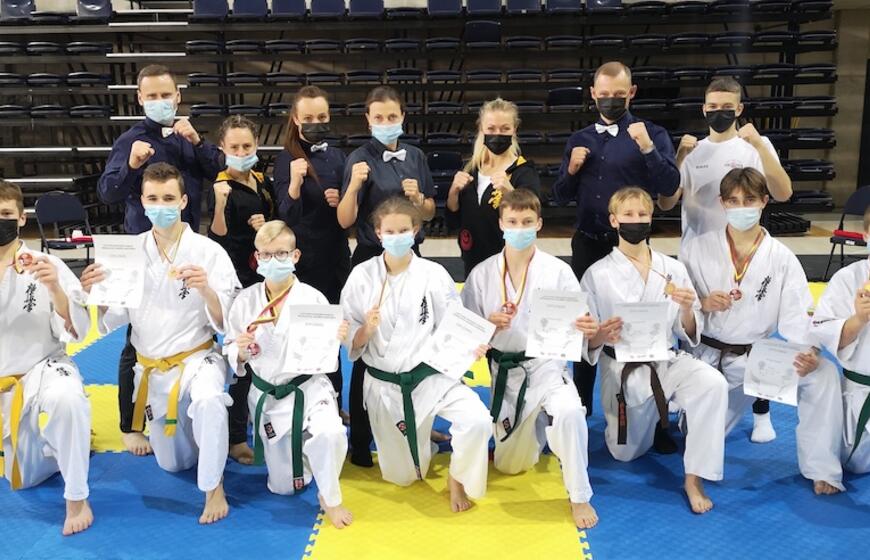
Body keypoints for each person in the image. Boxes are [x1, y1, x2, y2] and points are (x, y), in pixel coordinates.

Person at [82, 162, 241, 523]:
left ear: (183, 201)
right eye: (152, 198)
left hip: (197, 360)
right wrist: (97, 294)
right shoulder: (129, 252)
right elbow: (113, 318)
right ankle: (202, 440)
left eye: (168, 198)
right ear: (142, 201)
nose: (160, 205)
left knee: (210, 401)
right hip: (153, 369)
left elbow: (229, 321)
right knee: (173, 463)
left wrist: (207, 290)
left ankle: (214, 488)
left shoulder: (209, 251)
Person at [682, 168, 844, 495]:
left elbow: (797, 316)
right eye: (733, 201)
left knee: (823, 374)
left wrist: (810, 352)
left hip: (758, 358)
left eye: (749, 200)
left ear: (764, 201)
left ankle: (822, 469)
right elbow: (680, 311)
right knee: (694, 434)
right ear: (722, 203)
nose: (741, 207)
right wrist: (703, 304)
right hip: (709, 358)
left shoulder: (781, 258)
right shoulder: (696, 249)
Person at [658, 77, 794, 442]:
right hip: (698, 252)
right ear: (703, 109)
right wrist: (678, 158)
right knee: (693, 323)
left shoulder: (755, 145)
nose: (719, 113)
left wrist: (759, 145)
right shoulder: (693, 150)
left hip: (746, 250)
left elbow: (783, 192)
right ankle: (688, 392)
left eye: (727, 107)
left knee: (752, 327)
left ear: (739, 109)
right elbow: (666, 203)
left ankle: (762, 408)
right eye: (713, 107)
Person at [97, 64, 223, 456]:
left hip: (188, 245)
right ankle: (131, 424)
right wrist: (132, 166)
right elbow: (107, 192)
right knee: (137, 337)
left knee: (194, 325)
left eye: (165, 94)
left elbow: (220, 170)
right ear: (139, 99)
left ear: (178, 96)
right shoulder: (130, 140)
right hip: (144, 250)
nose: (159, 101)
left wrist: (198, 142)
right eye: (151, 96)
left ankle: (200, 408)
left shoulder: (188, 136)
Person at [581, 187, 727, 514]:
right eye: (628, 215)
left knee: (712, 383)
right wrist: (600, 334)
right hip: (622, 368)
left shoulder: (672, 269)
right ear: (614, 220)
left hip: (665, 360)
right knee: (624, 454)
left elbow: (687, 331)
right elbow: (586, 341)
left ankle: (694, 478)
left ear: (651, 218)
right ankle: (660, 419)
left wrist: (687, 309)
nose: (636, 220)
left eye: (642, 214)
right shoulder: (596, 275)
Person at [339, 196, 491, 512]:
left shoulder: (433, 273)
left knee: (477, 421)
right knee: (405, 477)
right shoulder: (361, 277)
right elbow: (350, 339)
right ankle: (423, 442)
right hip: (385, 386)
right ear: (378, 233)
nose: (396, 237)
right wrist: (366, 329)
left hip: (431, 378)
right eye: (389, 231)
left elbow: (454, 323)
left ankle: (457, 479)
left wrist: (471, 345)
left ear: (416, 230)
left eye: (403, 230)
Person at [461, 189, 598, 529]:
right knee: (511, 466)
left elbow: (580, 323)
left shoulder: (558, 271)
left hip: (547, 366)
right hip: (506, 372)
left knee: (570, 412)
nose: (519, 228)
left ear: (539, 223)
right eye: (512, 221)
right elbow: (464, 334)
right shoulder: (481, 274)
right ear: (501, 224)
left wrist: (586, 327)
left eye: (526, 221)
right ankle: (535, 428)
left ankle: (579, 496)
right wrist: (488, 325)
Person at [551, 61, 680, 416]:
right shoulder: (579, 139)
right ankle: (581, 405)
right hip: (588, 242)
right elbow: (559, 196)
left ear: (631, 93)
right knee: (586, 323)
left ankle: (649, 403)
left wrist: (648, 149)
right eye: (604, 94)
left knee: (638, 319)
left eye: (618, 94)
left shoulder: (652, 133)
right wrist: (571, 170)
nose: (611, 100)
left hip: (631, 243)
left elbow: (670, 186)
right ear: (593, 94)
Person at [224, 221, 352, 529]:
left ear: (295, 256)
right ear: (257, 258)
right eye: (266, 255)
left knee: (331, 433)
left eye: (281, 253)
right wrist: (239, 351)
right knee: (285, 487)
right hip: (269, 395)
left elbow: (326, 355)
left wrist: (337, 337)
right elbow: (230, 349)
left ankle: (330, 497)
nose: (273, 260)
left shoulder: (313, 298)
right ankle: (307, 452)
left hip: (309, 389)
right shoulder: (245, 301)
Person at [337, 86, 437, 466]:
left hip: (410, 254)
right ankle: (360, 442)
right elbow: (344, 219)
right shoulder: (358, 159)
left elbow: (429, 212)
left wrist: (418, 200)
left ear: (402, 117)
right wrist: (354, 185)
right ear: (368, 120)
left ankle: (416, 422)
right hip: (370, 257)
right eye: (378, 117)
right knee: (369, 347)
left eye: (392, 116)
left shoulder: (416, 156)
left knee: (414, 339)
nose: (385, 122)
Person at [0, 180, 93, 535]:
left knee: (68, 400)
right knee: (24, 477)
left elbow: (78, 330)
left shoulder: (47, 263)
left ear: (21, 218)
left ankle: (77, 498)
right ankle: (62, 443)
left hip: (43, 369)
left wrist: (54, 287)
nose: (1, 221)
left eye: (6, 214)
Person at [274, 86, 350, 410]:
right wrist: (294, 184)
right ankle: (302, 400)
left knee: (333, 334)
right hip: (305, 261)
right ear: (295, 118)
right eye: (308, 117)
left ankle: (333, 402)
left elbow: (350, 213)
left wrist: (342, 199)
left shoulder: (338, 157)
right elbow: (285, 216)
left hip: (336, 256)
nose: (316, 123)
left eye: (321, 117)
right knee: (307, 333)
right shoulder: (286, 159)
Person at [208, 115, 277, 464]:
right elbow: (215, 235)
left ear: (256, 145)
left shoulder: (262, 180)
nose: (241, 151)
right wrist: (220, 204)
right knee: (242, 357)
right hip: (237, 281)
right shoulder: (219, 186)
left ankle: (256, 415)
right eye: (234, 147)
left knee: (268, 350)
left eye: (247, 145)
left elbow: (277, 225)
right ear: (222, 148)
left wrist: (267, 225)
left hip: (264, 275)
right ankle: (236, 437)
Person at [446, 97, 541, 277]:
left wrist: (510, 192)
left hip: (509, 264)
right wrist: (453, 192)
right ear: (481, 128)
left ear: (514, 129)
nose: (498, 134)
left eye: (505, 128)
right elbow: (454, 221)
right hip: (472, 261)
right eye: (491, 128)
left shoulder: (523, 171)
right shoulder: (470, 169)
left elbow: (533, 217)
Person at [810, 206, 870, 474]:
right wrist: (859, 319)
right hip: (860, 391)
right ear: (866, 235)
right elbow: (829, 336)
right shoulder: (848, 279)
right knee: (854, 464)